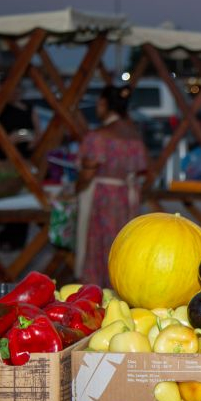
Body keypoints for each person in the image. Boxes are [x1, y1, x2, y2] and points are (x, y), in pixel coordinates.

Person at [75, 85, 148, 287]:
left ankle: (97, 289)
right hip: (127, 197)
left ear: (104, 104)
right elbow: (142, 169)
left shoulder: (99, 136)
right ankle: (121, 286)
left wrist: (76, 188)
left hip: (103, 197)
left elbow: (88, 170)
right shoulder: (133, 134)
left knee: (100, 244)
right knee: (122, 244)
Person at [0, 84, 40, 250]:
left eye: (17, 89)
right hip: (6, 159)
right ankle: (8, 238)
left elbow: (38, 133)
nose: (15, 92)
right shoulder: (1, 110)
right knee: (9, 199)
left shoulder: (29, 109)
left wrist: (33, 141)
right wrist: (9, 141)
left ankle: (18, 241)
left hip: (26, 157)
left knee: (25, 200)